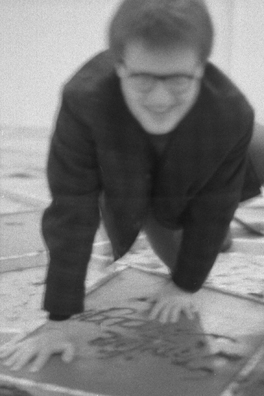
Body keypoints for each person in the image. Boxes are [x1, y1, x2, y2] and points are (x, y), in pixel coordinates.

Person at [0, 0, 263, 372]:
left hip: (207, 162)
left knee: (197, 257)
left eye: (178, 79)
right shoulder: (84, 100)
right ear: (119, 66)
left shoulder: (230, 112)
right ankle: (204, 238)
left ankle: (212, 240)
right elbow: (72, 207)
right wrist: (58, 320)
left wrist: (185, 286)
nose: (159, 99)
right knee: (181, 253)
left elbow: (215, 203)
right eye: (143, 79)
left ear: (201, 70)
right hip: (141, 185)